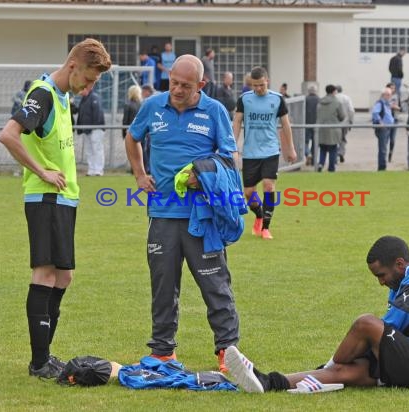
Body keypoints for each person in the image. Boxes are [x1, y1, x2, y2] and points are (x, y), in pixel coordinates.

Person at [0, 38, 111, 379]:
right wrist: (42, 171)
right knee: (45, 273)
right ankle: (39, 362)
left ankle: (45, 356)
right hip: (45, 197)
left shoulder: (62, 97)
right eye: (88, 79)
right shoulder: (43, 93)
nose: (89, 88)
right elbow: (9, 135)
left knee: (64, 276)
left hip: (63, 198)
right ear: (73, 65)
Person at [225, 235, 409, 393]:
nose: (381, 282)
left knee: (365, 324)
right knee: (346, 373)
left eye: (381, 275)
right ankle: (268, 382)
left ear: (400, 264)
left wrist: (345, 357)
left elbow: (389, 326)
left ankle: (325, 367)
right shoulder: (403, 280)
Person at [125, 54, 241, 374]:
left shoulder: (215, 111)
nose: (176, 89)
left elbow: (229, 159)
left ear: (200, 85)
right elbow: (132, 137)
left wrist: (202, 173)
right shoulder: (152, 106)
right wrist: (139, 173)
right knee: (163, 286)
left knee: (214, 285)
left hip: (201, 215)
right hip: (162, 214)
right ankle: (163, 352)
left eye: (185, 86)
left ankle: (228, 352)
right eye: (173, 82)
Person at [233, 66, 297, 240]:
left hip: (270, 150)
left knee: (269, 186)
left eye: (261, 85)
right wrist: (233, 147)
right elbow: (237, 122)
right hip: (250, 152)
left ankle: (266, 228)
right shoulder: (244, 99)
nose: (258, 89)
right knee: (248, 193)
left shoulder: (277, 99)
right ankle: (259, 215)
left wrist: (290, 148)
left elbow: (285, 125)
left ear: (267, 81)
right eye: (255, 86)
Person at [77, 85, 106, 176]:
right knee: (89, 149)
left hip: (95, 129)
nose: (79, 92)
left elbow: (97, 113)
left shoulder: (94, 97)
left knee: (97, 149)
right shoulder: (84, 99)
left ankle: (98, 170)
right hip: (87, 129)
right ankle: (91, 169)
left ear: (86, 89)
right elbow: (81, 113)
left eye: (81, 90)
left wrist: (93, 127)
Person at [316, 84, 344, 173]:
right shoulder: (337, 102)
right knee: (333, 149)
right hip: (333, 129)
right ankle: (331, 167)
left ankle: (321, 164)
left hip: (322, 129)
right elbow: (342, 116)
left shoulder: (320, 102)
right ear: (333, 91)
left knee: (323, 149)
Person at [371, 88, 395, 171]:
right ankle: (382, 167)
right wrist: (380, 122)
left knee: (384, 147)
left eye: (390, 95)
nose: (389, 96)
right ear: (383, 95)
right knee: (383, 148)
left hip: (388, 127)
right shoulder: (380, 103)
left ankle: (383, 165)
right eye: (388, 95)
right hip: (383, 128)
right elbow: (374, 112)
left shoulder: (387, 103)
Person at [335, 85, 355, 163]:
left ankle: (336, 154)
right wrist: (351, 121)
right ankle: (341, 152)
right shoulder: (347, 98)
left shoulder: (334, 98)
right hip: (345, 123)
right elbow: (351, 110)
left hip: (335, 123)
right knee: (343, 138)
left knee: (335, 139)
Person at [385, 82, 401, 163]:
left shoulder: (396, 96)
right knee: (385, 138)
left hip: (395, 119)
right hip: (387, 120)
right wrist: (391, 106)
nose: (393, 90)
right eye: (391, 88)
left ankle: (390, 154)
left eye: (394, 88)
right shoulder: (384, 96)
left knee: (392, 139)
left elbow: (398, 107)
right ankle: (384, 154)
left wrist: (396, 107)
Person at [304, 84, 319, 166]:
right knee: (315, 142)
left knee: (305, 141)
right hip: (316, 124)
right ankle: (313, 160)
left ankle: (307, 153)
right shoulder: (319, 100)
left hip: (306, 124)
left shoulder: (305, 99)